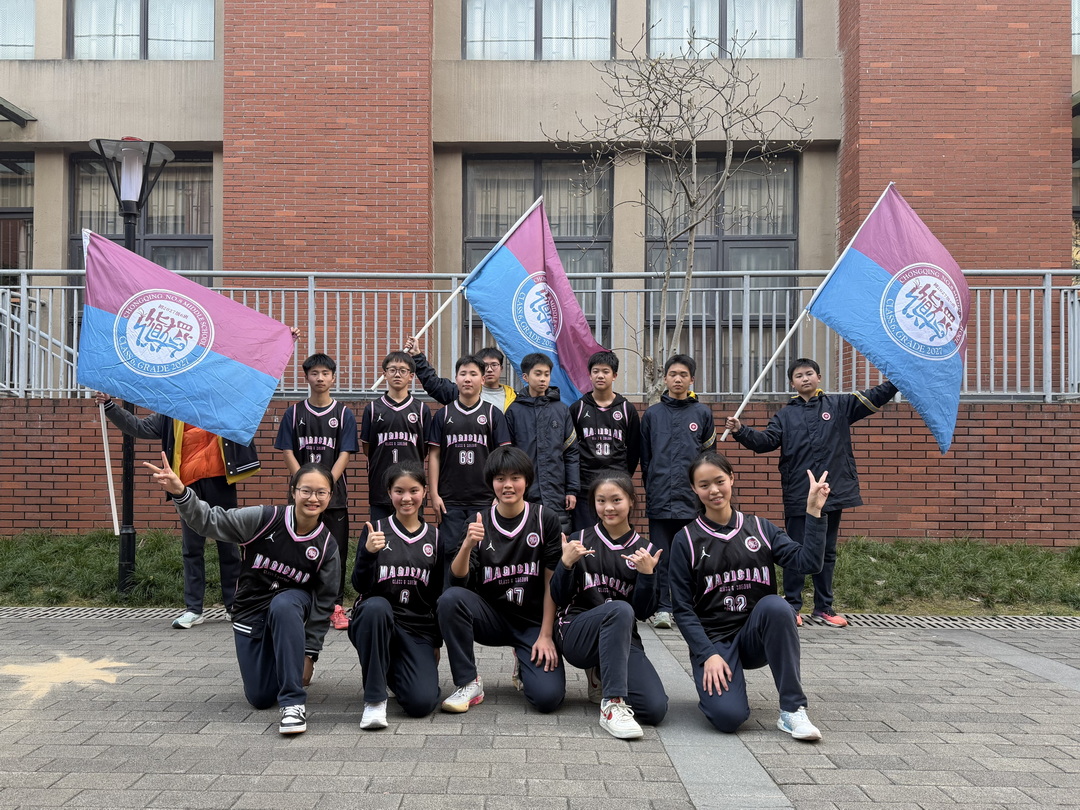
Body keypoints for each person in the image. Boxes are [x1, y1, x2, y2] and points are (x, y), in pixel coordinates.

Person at [144, 453, 340, 735]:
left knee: (285, 603)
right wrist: (181, 493)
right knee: (260, 698)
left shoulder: (326, 546)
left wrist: (310, 654)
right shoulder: (263, 518)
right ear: (293, 492)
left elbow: (324, 602)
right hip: (251, 611)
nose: (313, 498)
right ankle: (283, 656)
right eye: (306, 490)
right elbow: (210, 521)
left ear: (330, 496)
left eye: (321, 492)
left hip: (291, 608)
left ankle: (293, 703)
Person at [724, 358, 897, 628]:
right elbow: (766, 442)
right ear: (791, 383)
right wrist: (741, 430)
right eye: (798, 375)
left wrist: (897, 380)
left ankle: (823, 607)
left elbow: (875, 397)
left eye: (809, 374)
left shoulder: (839, 405)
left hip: (831, 493)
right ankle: (792, 605)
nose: (804, 378)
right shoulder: (785, 416)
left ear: (818, 377)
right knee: (795, 548)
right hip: (799, 493)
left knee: (826, 551)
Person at [670, 451, 830, 741]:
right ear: (694, 489)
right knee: (728, 718)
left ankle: (792, 710)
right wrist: (707, 654)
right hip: (715, 642)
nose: (714, 490)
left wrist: (814, 512)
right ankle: (717, 686)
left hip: (754, 636)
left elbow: (808, 562)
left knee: (777, 607)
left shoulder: (760, 528)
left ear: (732, 479)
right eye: (704, 484)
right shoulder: (686, 539)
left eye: (719, 481)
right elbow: (682, 609)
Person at [93, 391, 260, 629]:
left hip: (219, 480)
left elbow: (248, 416)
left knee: (229, 546)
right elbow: (139, 428)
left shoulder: (224, 403)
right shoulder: (172, 411)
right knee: (192, 548)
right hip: (185, 485)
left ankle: (234, 606)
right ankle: (194, 609)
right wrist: (110, 405)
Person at [436, 447, 565, 714]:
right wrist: (467, 546)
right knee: (450, 599)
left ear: (527, 481)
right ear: (491, 482)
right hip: (491, 617)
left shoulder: (545, 519)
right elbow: (458, 581)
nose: (508, 485)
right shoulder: (478, 521)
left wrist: (546, 635)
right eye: (500, 478)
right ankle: (469, 682)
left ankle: (524, 659)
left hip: (531, 623)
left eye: (515, 477)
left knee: (547, 699)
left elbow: (551, 584)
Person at [551, 472, 667, 740]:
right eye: (601, 501)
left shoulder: (645, 550)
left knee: (654, 709)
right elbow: (558, 596)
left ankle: (602, 672)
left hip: (621, 636)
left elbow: (644, 612)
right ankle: (612, 704)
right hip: (576, 631)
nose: (609, 508)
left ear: (631, 501)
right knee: (619, 609)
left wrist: (647, 576)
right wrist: (565, 564)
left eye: (616, 500)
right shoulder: (579, 539)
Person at [348, 463, 444, 730]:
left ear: (424, 492)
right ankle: (375, 700)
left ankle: (390, 671)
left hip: (416, 628)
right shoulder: (376, 530)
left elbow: (436, 593)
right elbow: (360, 585)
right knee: (376, 607)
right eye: (399, 491)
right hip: (377, 622)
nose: (406, 498)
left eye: (414, 490)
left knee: (421, 703)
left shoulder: (436, 537)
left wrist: (436, 641)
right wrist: (367, 554)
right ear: (389, 493)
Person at [275, 353, 359, 631]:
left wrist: (325, 486)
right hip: (302, 499)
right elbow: (287, 450)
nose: (320, 378)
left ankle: (335, 606)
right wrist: (304, 485)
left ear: (333, 378)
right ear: (306, 377)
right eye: (314, 373)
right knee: (298, 549)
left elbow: (345, 453)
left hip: (334, 497)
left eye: (325, 373)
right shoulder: (293, 413)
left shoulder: (343, 414)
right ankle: (302, 602)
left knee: (335, 552)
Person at [639, 354, 716, 629]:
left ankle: (692, 605)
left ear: (691, 379)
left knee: (694, 555)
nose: (678, 379)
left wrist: (704, 493)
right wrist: (652, 487)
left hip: (692, 500)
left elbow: (709, 459)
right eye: (673, 374)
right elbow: (645, 459)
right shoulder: (652, 415)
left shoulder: (702, 413)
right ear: (665, 378)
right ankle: (663, 607)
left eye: (683, 374)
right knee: (662, 556)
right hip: (660, 497)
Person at [425, 355, 512, 573]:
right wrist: (434, 494)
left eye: (473, 374)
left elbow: (502, 458)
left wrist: (498, 494)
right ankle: (449, 594)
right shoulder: (443, 415)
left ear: (482, 379)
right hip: (450, 499)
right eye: (463, 374)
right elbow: (434, 456)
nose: (467, 379)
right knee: (450, 552)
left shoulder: (493, 414)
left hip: (485, 499)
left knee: (486, 553)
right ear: (455, 379)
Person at [504, 351, 579, 533]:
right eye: (538, 374)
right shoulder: (514, 411)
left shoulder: (561, 410)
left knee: (558, 543)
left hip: (556, 492)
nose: (543, 379)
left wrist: (572, 490)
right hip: (524, 491)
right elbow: (507, 455)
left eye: (546, 374)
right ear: (525, 377)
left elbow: (571, 452)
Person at [569, 350, 641, 532]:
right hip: (585, 487)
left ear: (614, 375)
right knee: (585, 537)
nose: (600, 375)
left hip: (616, 484)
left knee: (615, 536)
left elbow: (634, 450)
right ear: (589, 375)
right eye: (596, 371)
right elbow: (571, 449)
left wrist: (623, 476)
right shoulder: (578, 408)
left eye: (605, 371)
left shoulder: (627, 409)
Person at [361, 351, 431, 524]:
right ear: (385, 374)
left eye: (402, 370)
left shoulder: (422, 409)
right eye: (392, 370)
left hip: (412, 486)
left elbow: (424, 449)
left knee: (412, 533)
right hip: (380, 485)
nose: (397, 374)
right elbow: (368, 448)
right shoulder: (372, 409)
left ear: (411, 376)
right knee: (380, 534)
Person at [404, 335, 516, 411]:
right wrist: (417, 355)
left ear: (501, 368)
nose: (490, 369)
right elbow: (433, 384)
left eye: (494, 365)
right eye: (485, 365)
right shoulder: (461, 391)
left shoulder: (514, 398)